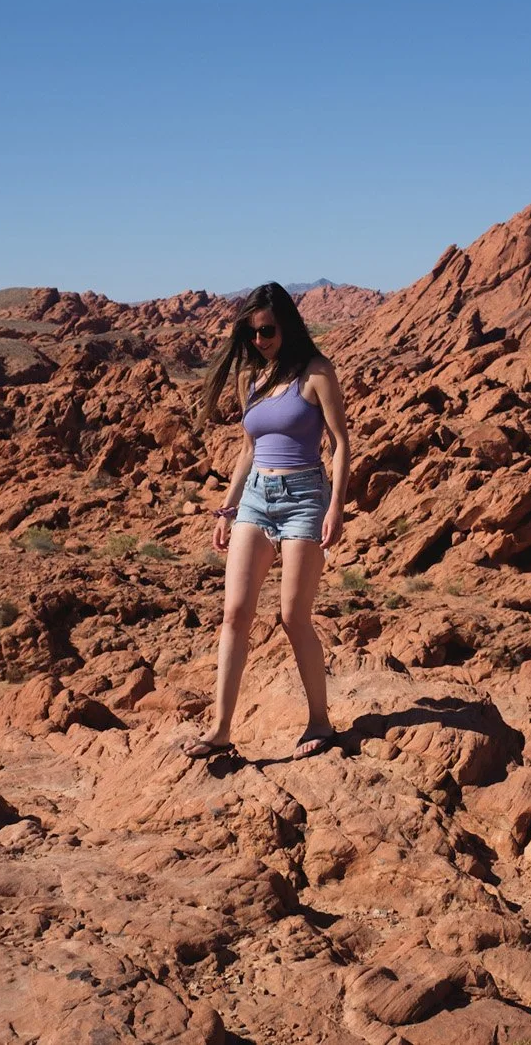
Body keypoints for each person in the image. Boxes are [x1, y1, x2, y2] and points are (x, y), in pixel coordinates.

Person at [187, 282, 351, 760]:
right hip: (256, 497)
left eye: (268, 331)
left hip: (304, 497)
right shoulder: (252, 379)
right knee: (235, 613)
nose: (260, 340)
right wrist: (227, 506)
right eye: (252, 333)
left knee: (291, 616)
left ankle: (320, 723)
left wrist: (336, 506)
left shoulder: (317, 373)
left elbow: (340, 444)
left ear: (288, 325)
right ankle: (219, 730)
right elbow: (248, 449)